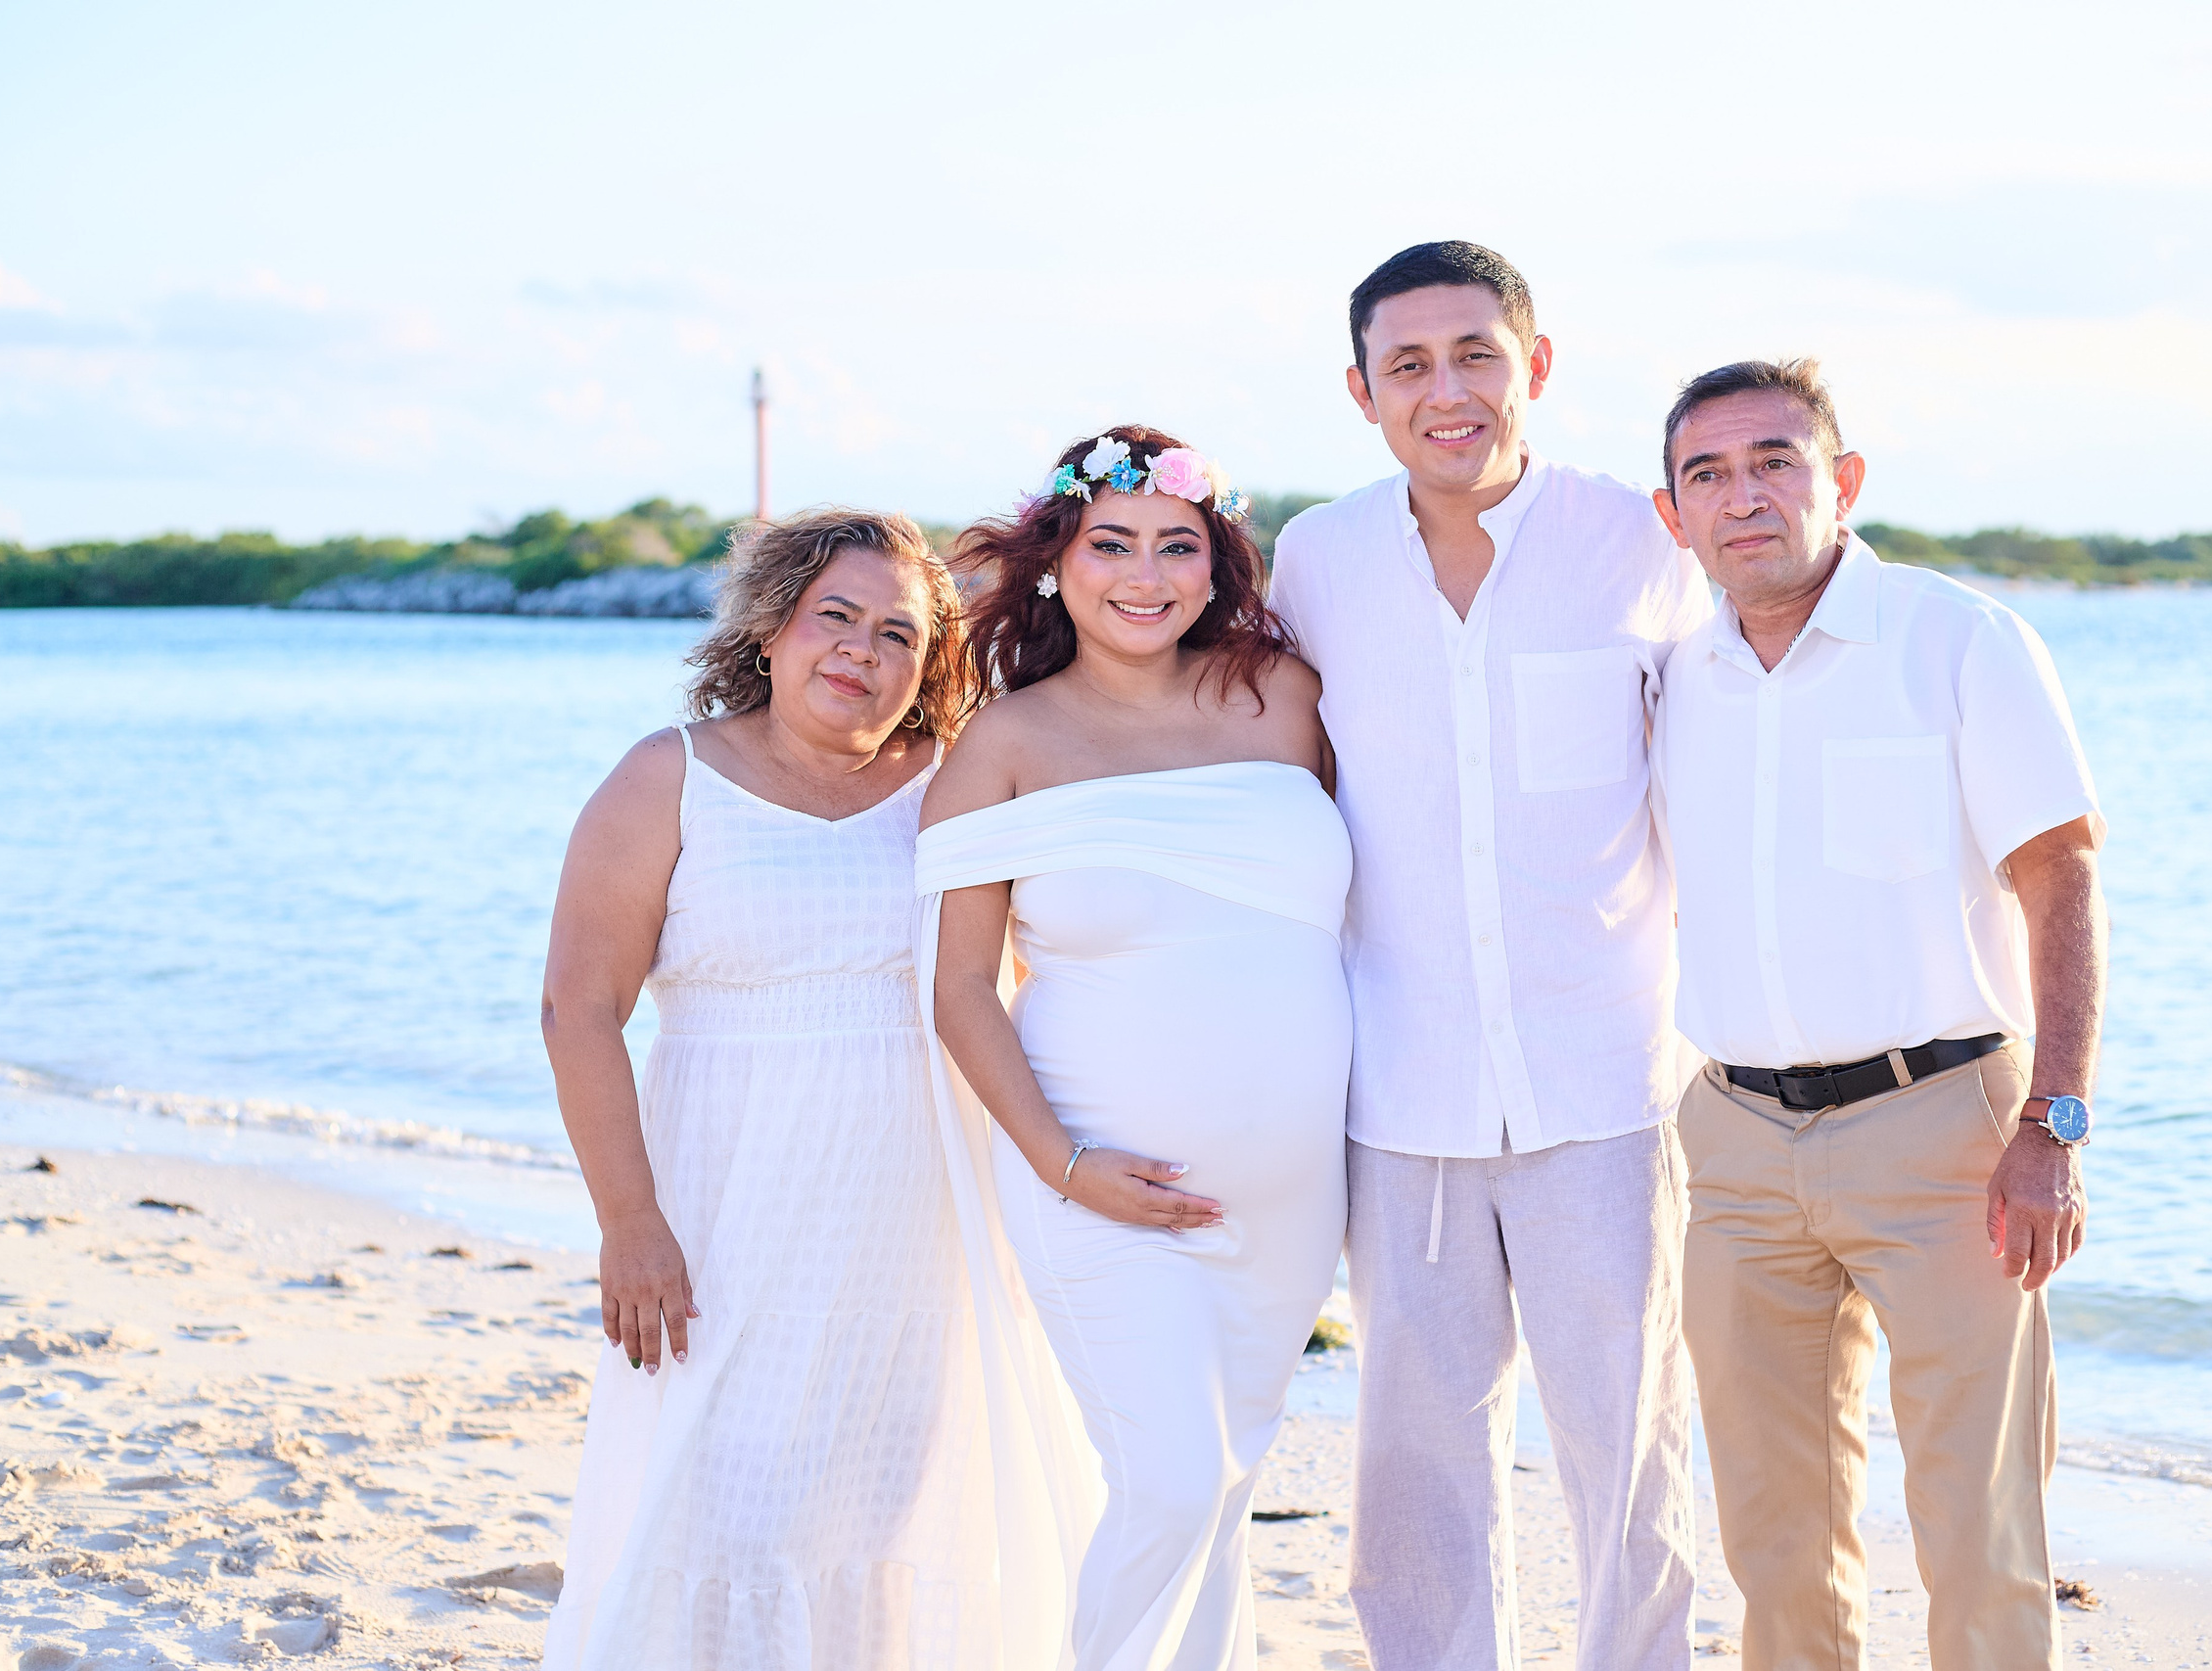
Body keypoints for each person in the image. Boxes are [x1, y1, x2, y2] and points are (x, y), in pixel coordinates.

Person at [1267, 241, 1713, 1671]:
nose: (1446, 390)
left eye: (1476, 354)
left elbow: (1736, 755)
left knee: (1628, 1465)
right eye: (1409, 364)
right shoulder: (1318, 559)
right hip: (1400, 1092)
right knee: (1415, 1478)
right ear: (1362, 390)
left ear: (1537, 364)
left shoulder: (1643, 543)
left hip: (1610, 1083)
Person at [538, 510, 1064, 1669]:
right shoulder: (667, 778)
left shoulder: (958, 785)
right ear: (772, 627)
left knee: (896, 1513)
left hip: (925, 1229)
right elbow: (578, 1010)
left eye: (896, 634)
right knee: (722, 1501)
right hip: (725, 1218)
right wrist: (629, 1224)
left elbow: (1041, 980)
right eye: (835, 616)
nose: (858, 652)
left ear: (927, 666)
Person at [1649, 359, 2106, 1671]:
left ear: (1841, 481)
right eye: (1709, 473)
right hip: (1733, 1144)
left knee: (1979, 1522)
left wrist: (2054, 1123)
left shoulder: (1959, 638)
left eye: (1776, 461)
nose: (1745, 495)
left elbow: (2061, 877)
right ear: (1673, 512)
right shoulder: (1678, 678)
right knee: (1775, 1537)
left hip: (1948, 1128)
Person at [920, 425, 1352, 1671]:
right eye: (1112, 544)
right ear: (1058, 560)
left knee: (1220, 1483)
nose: (1146, 574)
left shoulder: (1284, 699)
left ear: (1217, 567)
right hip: (1095, 1185)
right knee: (1168, 1482)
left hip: (1287, 1198)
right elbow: (958, 992)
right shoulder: (1002, 743)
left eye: (1178, 545)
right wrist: (1063, 1163)